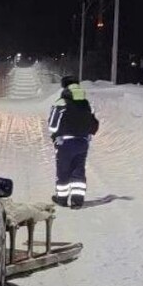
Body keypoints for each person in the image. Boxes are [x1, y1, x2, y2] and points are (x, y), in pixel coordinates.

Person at [47, 75, 100, 208]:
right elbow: (93, 125)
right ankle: (77, 201)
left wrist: (56, 134)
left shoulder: (61, 102)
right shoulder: (87, 103)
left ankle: (62, 199)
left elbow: (52, 126)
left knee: (63, 171)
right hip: (83, 142)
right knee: (79, 170)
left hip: (65, 143)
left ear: (64, 87)